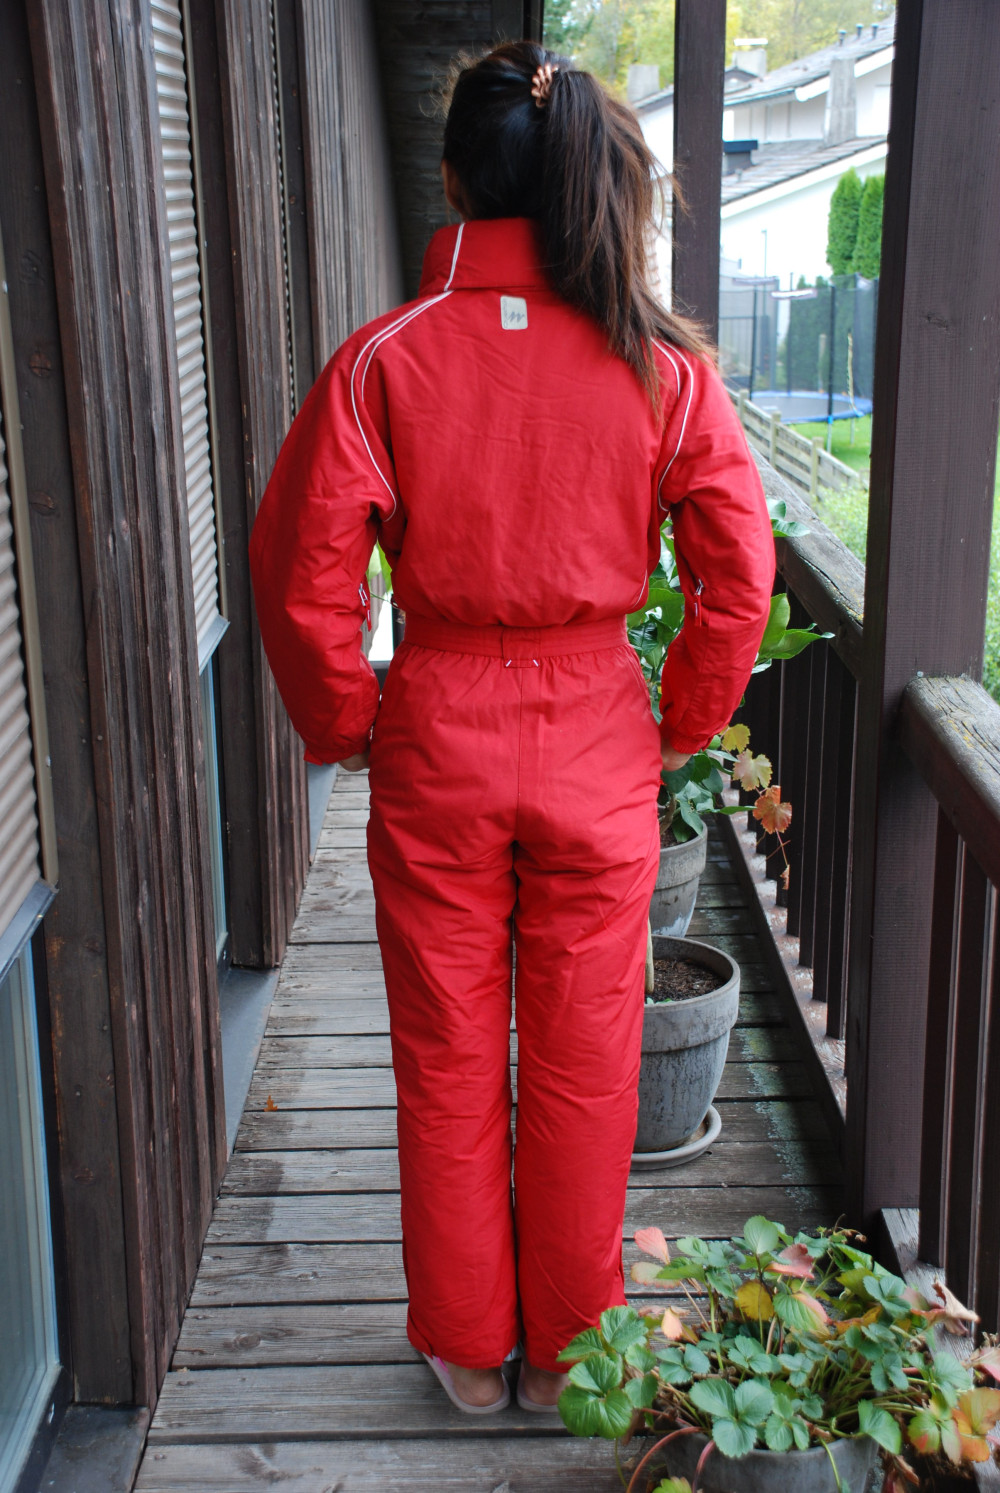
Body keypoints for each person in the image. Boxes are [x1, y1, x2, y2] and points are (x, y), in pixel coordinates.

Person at [249, 41, 774, 1415]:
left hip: (439, 727)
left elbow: (301, 567)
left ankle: (467, 1347)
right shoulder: (659, 366)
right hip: (597, 728)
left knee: (446, 1052)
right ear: (584, 185)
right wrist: (681, 720)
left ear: (453, 181)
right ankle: (566, 1356)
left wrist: (349, 719)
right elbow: (738, 570)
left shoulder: (384, 356)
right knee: (590, 1057)